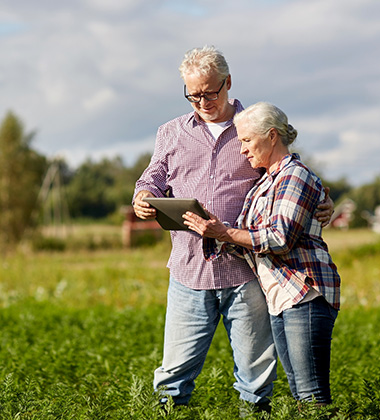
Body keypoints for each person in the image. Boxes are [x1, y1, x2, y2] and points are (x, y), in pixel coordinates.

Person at [133, 46, 334, 414]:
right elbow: (154, 176)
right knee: (173, 376)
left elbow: (291, 173)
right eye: (193, 95)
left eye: (210, 92)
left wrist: (325, 201)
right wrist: (143, 195)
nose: (203, 101)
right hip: (189, 270)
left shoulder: (252, 126)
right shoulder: (171, 132)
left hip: (248, 272)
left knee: (256, 378)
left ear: (228, 83)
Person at [183, 101, 341, 408]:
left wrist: (223, 233)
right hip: (281, 298)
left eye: (246, 140)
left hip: (304, 293)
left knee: (311, 395)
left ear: (271, 136)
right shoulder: (264, 183)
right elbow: (248, 237)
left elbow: (279, 238)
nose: (242, 150)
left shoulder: (295, 176)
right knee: (300, 392)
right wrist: (207, 228)